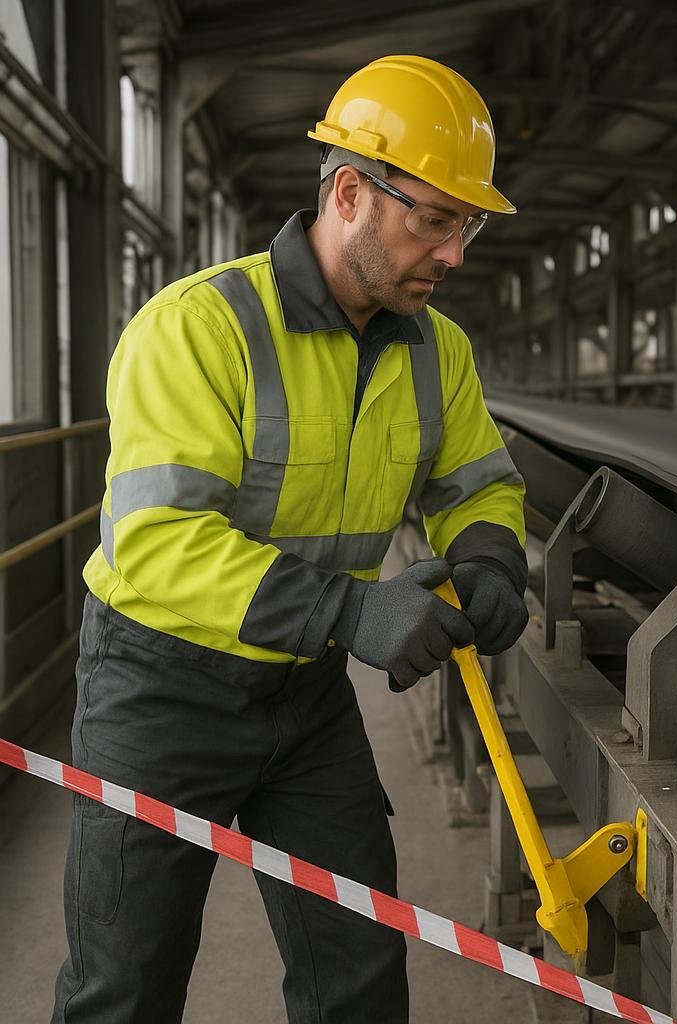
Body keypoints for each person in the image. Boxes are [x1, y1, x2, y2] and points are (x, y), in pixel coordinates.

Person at [53, 56, 528, 1023]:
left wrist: (489, 559)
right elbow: (155, 540)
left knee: (356, 974)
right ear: (350, 192)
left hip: (303, 700)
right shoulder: (197, 329)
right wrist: (352, 608)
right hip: (158, 694)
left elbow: (477, 481)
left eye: (465, 225)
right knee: (124, 990)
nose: (454, 255)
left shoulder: (439, 351)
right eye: (434, 220)